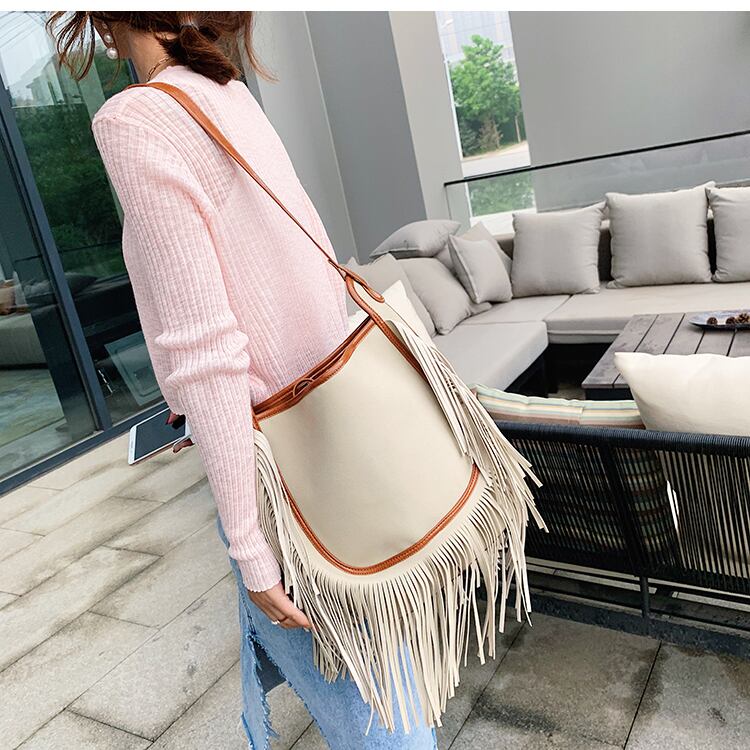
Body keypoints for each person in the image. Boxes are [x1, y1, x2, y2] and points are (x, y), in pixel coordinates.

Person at [49, 11, 437, 750]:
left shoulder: (135, 119)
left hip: (277, 466)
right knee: (378, 667)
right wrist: (192, 408)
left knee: (362, 702)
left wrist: (248, 544)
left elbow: (207, 349)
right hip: (325, 433)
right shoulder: (226, 95)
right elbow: (295, 274)